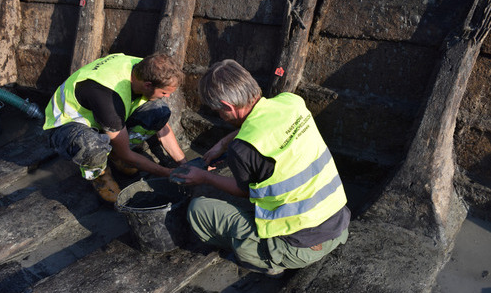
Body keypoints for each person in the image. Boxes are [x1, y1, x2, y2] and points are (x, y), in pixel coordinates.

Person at [174, 59, 350, 276]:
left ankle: (268, 259)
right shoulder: (291, 102)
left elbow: (244, 192)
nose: (221, 117)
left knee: (198, 210)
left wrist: (204, 177)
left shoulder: (243, 149)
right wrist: (222, 143)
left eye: (219, 112)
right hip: (339, 225)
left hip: (298, 249)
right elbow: (263, 121)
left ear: (227, 106)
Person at [43, 52, 187, 203]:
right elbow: (126, 153)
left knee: (159, 111)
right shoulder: (108, 97)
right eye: (164, 92)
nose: (168, 96)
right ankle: (100, 175)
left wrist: (184, 164)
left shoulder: (144, 68)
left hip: (105, 117)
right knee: (92, 147)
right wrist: (168, 173)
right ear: (148, 85)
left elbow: (163, 128)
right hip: (66, 126)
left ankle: (114, 153)